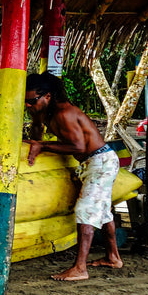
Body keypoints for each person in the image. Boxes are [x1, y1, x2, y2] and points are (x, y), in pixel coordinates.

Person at [23, 72, 122, 281]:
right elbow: (38, 129)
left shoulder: (64, 113)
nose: (28, 106)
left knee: (85, 210)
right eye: (26, 101)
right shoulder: (45, 111)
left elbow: (78, 146)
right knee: (103, 212)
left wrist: (43, 145)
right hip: (91, 161)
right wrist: (35, 139)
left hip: (100, 161)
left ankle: (80, 268)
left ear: (47, 96)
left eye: (32, 101)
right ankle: (113, 257)